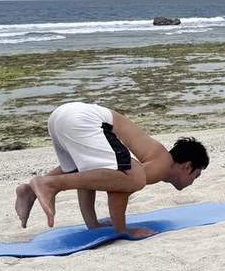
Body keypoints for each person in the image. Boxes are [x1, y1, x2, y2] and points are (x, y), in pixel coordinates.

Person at [14, 102, 209, 238]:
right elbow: (120, 187)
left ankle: (29, 191)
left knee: (88, 172)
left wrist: (93, 225)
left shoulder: (155, 156)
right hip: (86, 119)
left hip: (61, 116)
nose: (194, 181)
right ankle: (48, 184)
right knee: (133, 177)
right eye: (196, 175)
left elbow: (88, 178)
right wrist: (123, 231)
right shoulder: (162, 164)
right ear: (187, 166)